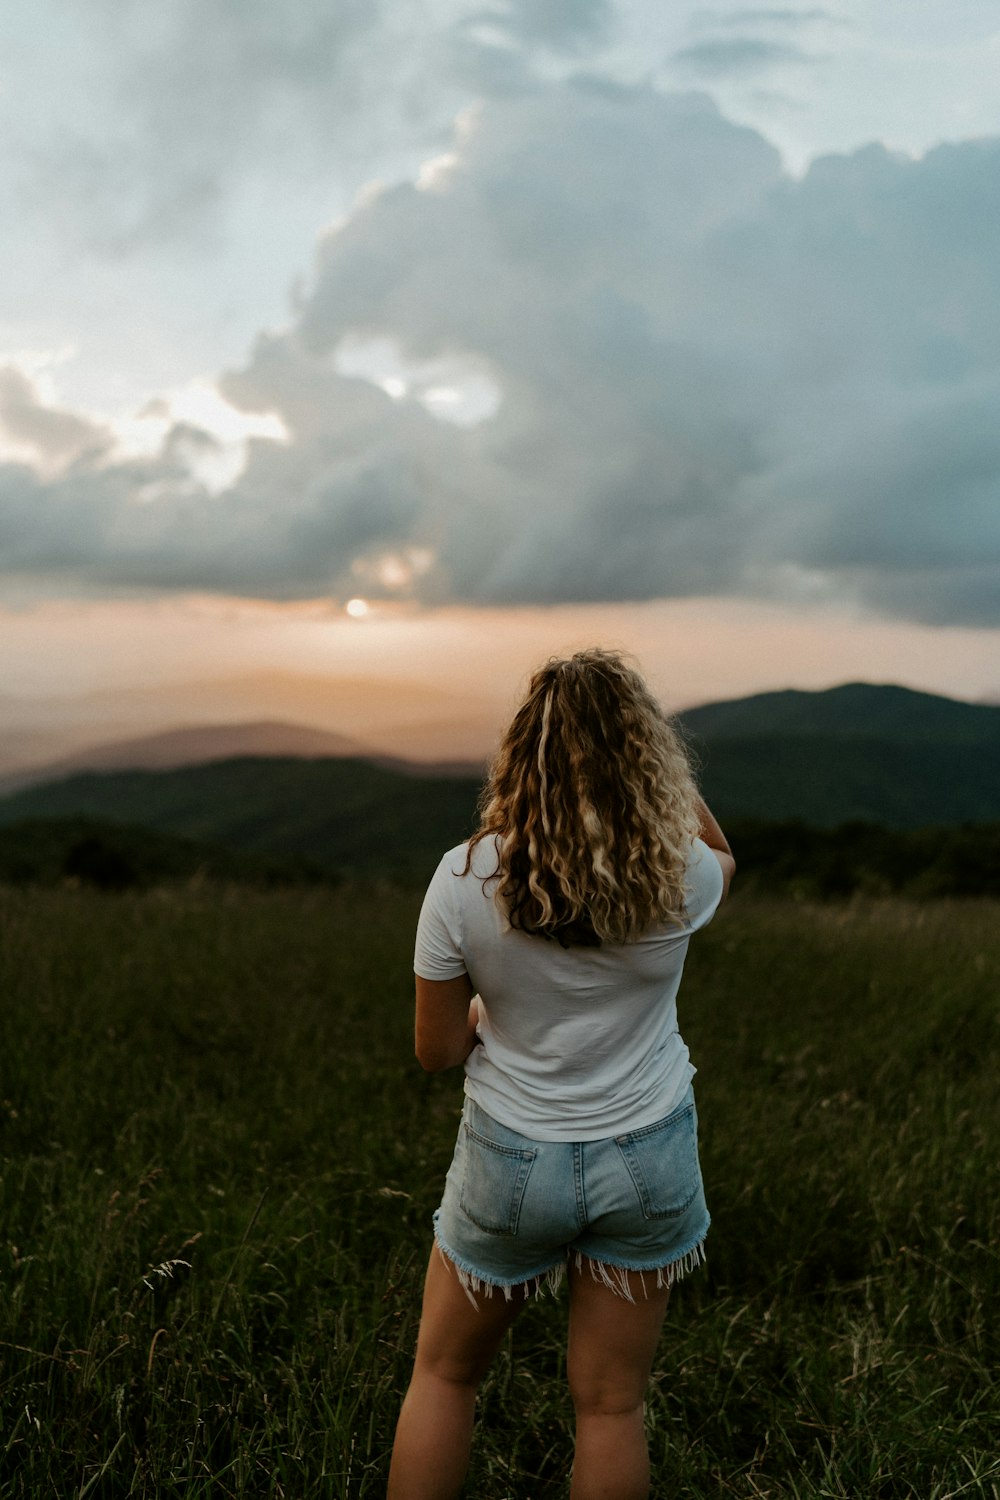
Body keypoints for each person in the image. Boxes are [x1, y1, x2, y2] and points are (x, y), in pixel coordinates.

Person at [387, 648, 735, 1500]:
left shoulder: (463, 878)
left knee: (444, 1377)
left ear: (522, 754)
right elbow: (723, 853)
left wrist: (483, 1016)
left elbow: (436, 1053)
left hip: (512, 1162)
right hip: (648, 1158)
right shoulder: (678, 875)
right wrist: (653, 777)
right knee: (612, 1408)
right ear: (645, 757)